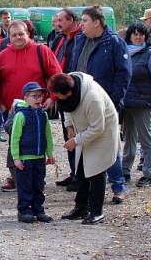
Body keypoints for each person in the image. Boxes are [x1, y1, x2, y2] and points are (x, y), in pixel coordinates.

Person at [70, 6, 131, 204]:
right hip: (82, 102)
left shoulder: (114, 43)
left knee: (108, 146)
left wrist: (113, 102)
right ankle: (88, 188)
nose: (81, 25)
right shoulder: (79, 40)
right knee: (86, 144)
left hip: (104, 103)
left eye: (85, 20)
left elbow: (123, 74)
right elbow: (74, 68)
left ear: (97, 22)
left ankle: (118, 186)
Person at [0, 20, 61, 193]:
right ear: (9, 36)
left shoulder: (42, 51)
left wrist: (52, 98)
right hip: (12, 110)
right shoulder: (2, 56)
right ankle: (17, 175)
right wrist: (1, 103)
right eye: (13, 35)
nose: (17, 37)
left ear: (28, 34)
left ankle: (36, 176)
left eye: (21, 34)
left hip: (36, 107)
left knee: (35, 141)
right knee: (14, 142)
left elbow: (56, 75)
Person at [51, 72, 119, 225]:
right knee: (81, 170)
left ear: (68, 92)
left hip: (103, 133)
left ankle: (96, 211)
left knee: (96, 171)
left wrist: (76, 141)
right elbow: (67, 109)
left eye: (58, 95)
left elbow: (98, 128)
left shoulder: (92, 98)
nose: (56, 98)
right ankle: (81, 207)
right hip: (85, 131)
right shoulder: (70, 86)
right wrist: (69, 126)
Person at [120, 23, 151, 187]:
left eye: (141, 35)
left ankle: (149, 173)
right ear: (130, 36)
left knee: (146, 139)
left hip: (142, 103)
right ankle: (125, 170)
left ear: (146, 37)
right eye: (135, 34)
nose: (138, 37)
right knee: (128, 138)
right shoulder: (125, 53)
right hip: (126, 104)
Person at [10, 82, 54, 223]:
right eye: (34, 96)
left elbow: (48, 135)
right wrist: (16, 158)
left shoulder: (43, 115)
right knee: (25, 185)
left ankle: (38, 209)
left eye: (40, 96)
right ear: (26, 97)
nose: (38, 99)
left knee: (38, 185)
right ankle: (24, 210)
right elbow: (15, 138)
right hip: (25, 158)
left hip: (39, 157)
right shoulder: (21, 115)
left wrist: (50, 153)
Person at [50, 8, 81, 190]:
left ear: (71, 20)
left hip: (76, 92)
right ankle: (74, 172)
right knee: (67, 133)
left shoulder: (80, 39)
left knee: (78, 134)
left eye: (61, 20)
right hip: (62, 92)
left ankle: (81, 175)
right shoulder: (59, 39)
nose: (57, 23)